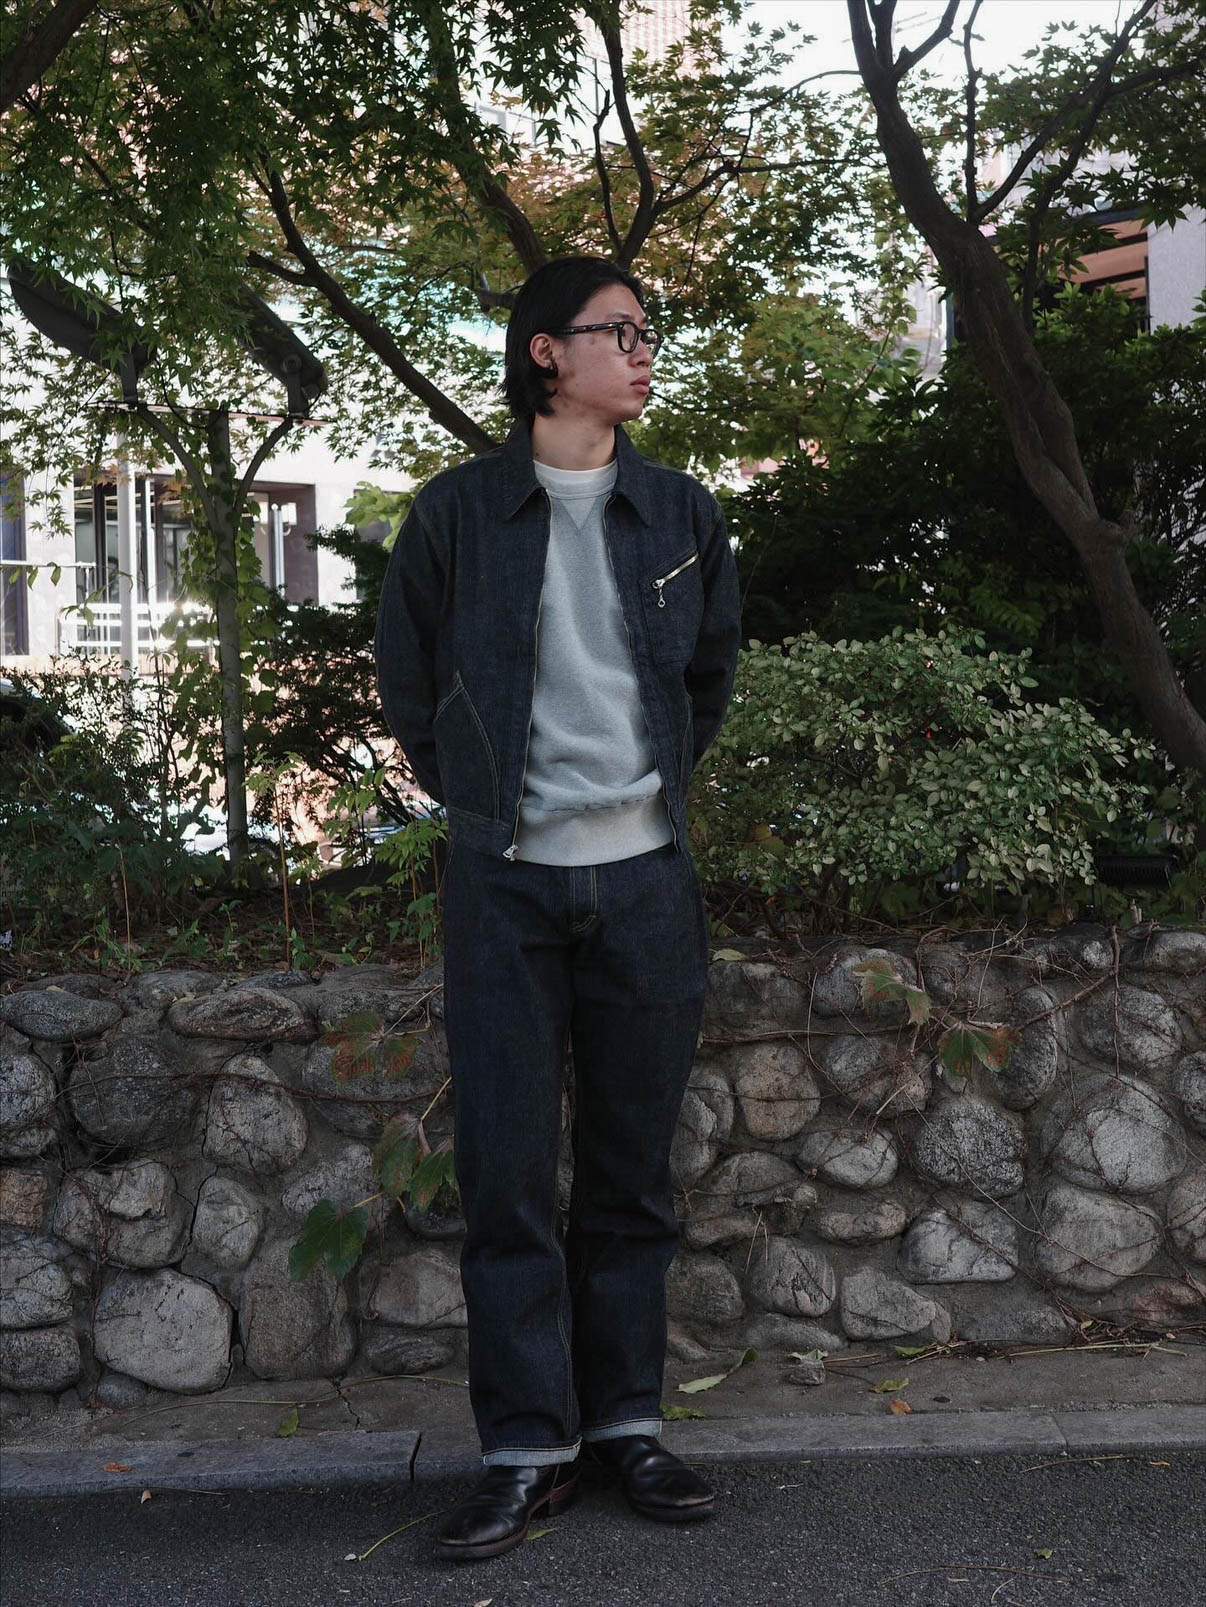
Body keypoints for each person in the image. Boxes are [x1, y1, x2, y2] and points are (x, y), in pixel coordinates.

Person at [374, 254, 742, 1563]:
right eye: (619, 331)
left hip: (645, 881)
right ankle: (528, 1451)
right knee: (509, 1175)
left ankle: (626, 1428)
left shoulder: (680, 511)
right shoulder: (458, 515)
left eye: (647, 331)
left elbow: (709, 675)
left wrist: (642, 802)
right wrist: (485, 800)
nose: (643, 352)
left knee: (632, 1177)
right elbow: (408, 679)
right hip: (505, 884)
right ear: (546, 352)